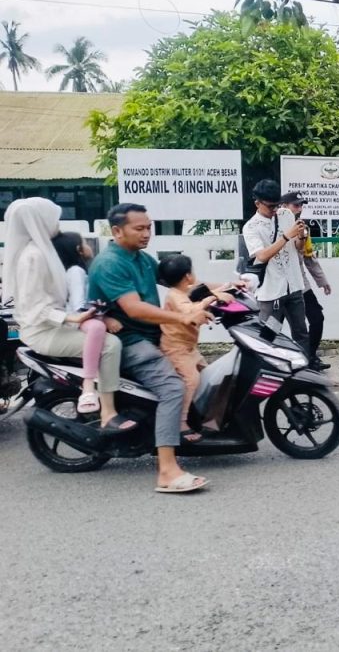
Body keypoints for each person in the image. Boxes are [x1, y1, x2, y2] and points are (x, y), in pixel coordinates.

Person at [89, 203, 213, 494]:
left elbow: (180, 283)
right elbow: (134, 309)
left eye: (149, 227)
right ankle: (168, 471)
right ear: (117, 231)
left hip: (150, 336)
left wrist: (225, 288)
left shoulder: (141, 259)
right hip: (131, 341)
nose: (147, 233)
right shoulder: (111, 263)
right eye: (139, 228)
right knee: (173, 387)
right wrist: (183, 316)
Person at [2, 199, 130, 431]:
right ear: (40, 221)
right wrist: (71, 318)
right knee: (110, 346)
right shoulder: (33, 257)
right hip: (45, 331)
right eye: (53, 218)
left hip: (57, 324)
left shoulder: (44, 250)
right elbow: (33, 306)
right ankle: (108, 413)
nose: (57, 224)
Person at [52, 230, 128, 419]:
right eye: (85, 242)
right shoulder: (76, 271)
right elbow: (79, 305)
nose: (88, 246)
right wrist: (102, 317)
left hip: (80, 317)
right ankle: (88, 386)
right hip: (79, 318)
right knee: (97, 328)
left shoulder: (79, 269)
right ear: (78, 249)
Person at [157, 254, 230, 443]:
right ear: (188, 275)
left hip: (189, 348)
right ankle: (181, 424)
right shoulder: (174, 296)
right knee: (192, 380)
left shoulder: (183, 291)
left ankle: (204, 418)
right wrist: (212, 298)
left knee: (210, 378)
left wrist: (230, 287)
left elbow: (202, 291)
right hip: (176, 349)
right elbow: (189, 311)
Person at [242, 180, 310, 358]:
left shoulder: (286, 214)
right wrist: (287, 236)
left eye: (277, 205)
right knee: (268, 336)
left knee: (301, 333)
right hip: (271, 291)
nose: (275, 210)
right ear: (257, 203)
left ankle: (304, 370)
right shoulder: (251, 227)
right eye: (271, 206)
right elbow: (261, 256)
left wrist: (301, 237)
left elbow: (299, 248)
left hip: (293, 285)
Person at [280, 191, 332, 371]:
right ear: (284, 207)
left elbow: (307, 256)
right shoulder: (277, 227)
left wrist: (322, 281)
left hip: (301, 285)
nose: (300, 209)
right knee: (275, 328)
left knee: (317, 318)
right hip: (280, 287)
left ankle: (310, 356)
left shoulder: (303, 228)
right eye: (296, 205)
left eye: (301, 205)